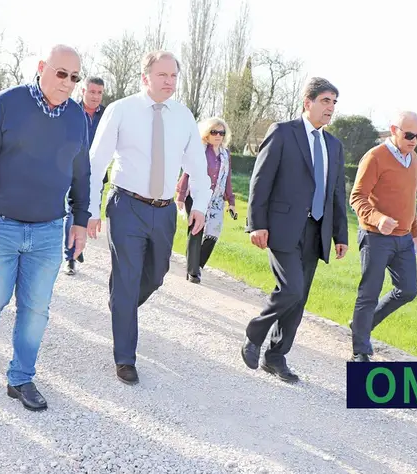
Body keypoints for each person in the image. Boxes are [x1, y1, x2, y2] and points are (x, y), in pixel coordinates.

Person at [0, 45, 90, 412]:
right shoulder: (7, 103)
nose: (67, 83)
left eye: (74, 77)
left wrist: (80, 220)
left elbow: (82, 172)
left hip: (48, 230)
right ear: (42, 68)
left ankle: (20, 378)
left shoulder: (77, 118)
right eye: (61, 73)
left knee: (35, 309)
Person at [87, 50, 210, 386]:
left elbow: (197, 167)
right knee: (127, 278)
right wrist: (90, 210)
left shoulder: (184, 116)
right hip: (126, 205)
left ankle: (121, 305)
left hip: (164, 210)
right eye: (162, 75)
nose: (169, 82)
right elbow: (96, 164)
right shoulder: (121, 111)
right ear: (145, 78)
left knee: (155, 275)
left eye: (173, 76)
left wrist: (199, 205)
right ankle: (125, 358)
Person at [240, 77, 349, 383]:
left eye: (334, 103)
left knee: (299, 300)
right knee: (291, 289)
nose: (330, 108)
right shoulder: (283, 133)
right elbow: (260, 181)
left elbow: (336, 193)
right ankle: (255, 332)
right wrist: (256, 224)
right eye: (325, 101)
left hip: (316, 231)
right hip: (283, 227)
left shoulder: (334, 146)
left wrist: (340, 235)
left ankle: (276, 357)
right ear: (308, 102)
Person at [348, 111, 417, 362]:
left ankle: (361, 326)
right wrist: (378, 218)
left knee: (408, 289)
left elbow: (410, 201)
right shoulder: (375, 157)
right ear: (394, 130)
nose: (413, 140)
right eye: (409, 135)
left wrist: (415, 235)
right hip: (375, 237)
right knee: (369, 292)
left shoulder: (413, 159)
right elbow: (356, 197)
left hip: (403, 240)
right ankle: (361, 349)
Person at [175, 117, 237, 284]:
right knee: (196, 230)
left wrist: (231, 201)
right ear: (206, 134)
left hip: (216, 198)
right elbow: (187, 173)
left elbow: (228, 178)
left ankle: (196, 263)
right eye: (214, 132)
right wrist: (181, 196)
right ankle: (193, 272)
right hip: (194, 195)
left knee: (213, 233)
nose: (218, 135)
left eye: (221, 133)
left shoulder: (226, 154)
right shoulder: (199, 150)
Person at [63, 76, 106, 275]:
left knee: (90, 213)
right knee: (73, 211)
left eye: (99, 93)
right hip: (73, 171)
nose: (95, 96)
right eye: (92, 92)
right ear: (83, 91)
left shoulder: (107, 116)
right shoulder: (71, 111)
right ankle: (70, 257)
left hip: (97, 174)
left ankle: (78, 245)